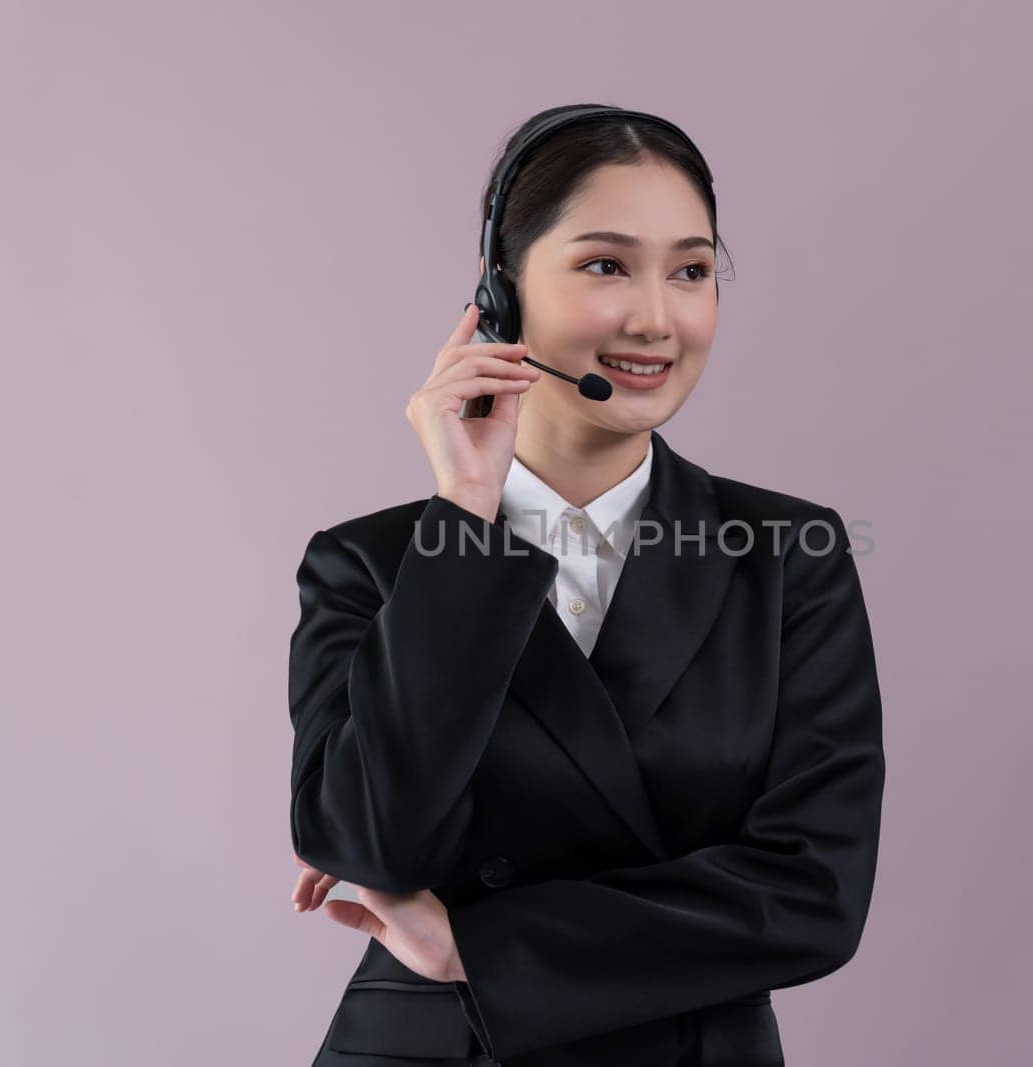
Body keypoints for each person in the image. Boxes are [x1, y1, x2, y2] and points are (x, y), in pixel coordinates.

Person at [287, 104, 886, 1066]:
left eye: (690, 271)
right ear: (502, 292)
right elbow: (376, 843)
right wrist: (466, 514)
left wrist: (483, 946)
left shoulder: (788, 553)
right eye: (607, 265)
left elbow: (814, 894)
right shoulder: (371, 563)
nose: (657, 318)